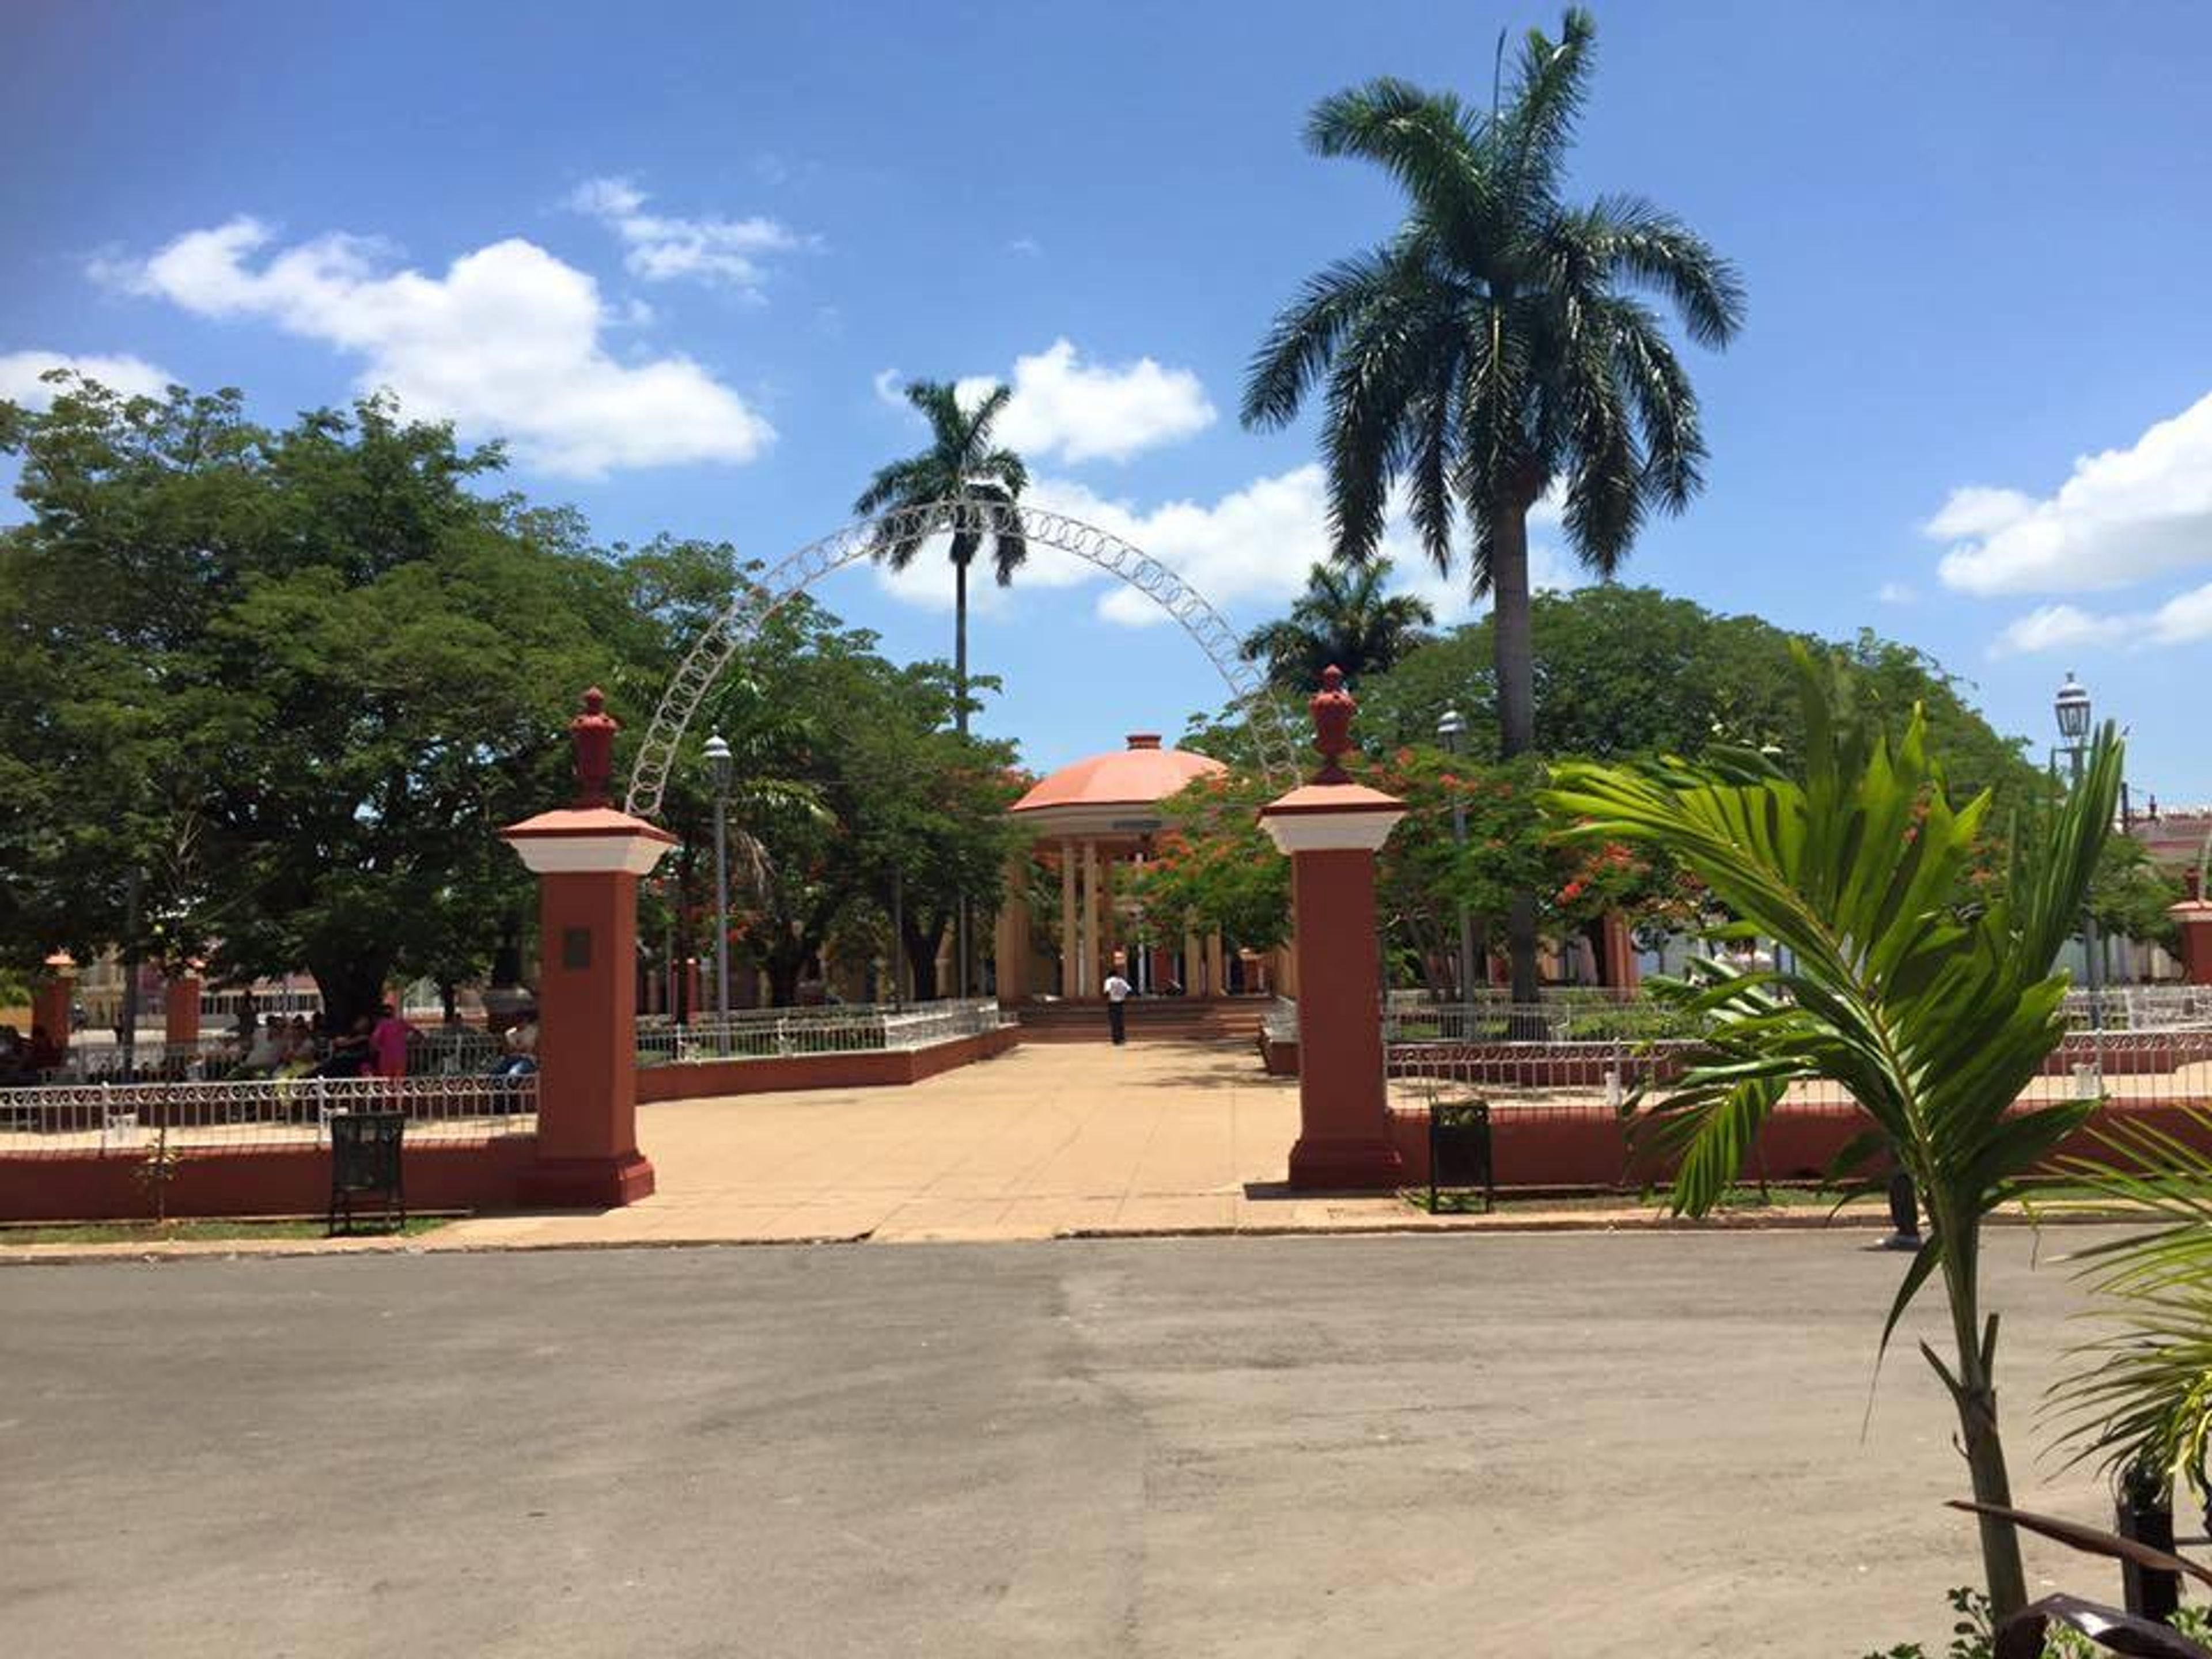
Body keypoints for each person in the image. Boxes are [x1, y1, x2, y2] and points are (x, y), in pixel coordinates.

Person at [369, 1002, 411, 1080]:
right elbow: (416, 1033)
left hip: (386, 1057)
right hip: (401, 1056)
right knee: (399, 1081)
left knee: (387, 1082)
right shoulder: (401, 1023)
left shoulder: (381, 1025)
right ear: (393, 1013)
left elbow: (374, 1040)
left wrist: (376, 1049)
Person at [1102, 969, 1132, 1046]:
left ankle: (1116, 1040)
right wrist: (1124, 996)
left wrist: (1107, 998)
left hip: (1113, 1003)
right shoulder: (1121, 981)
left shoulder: (1109, 981)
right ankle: (1122, 1039)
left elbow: (1107, 991)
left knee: (1114, 1022)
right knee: (1121, 1021)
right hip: (1121, 1003)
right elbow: (1129, 990)